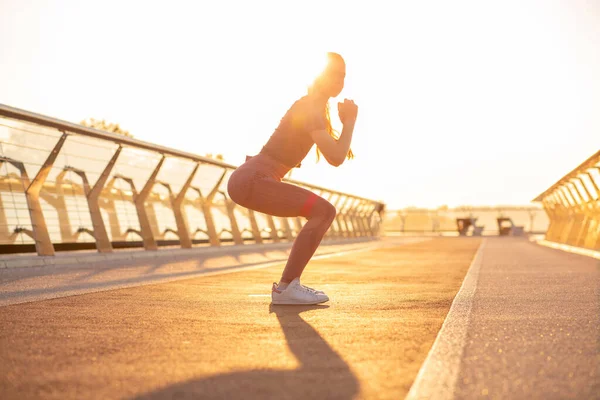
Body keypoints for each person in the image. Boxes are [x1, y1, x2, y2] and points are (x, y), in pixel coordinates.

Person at [227, 52, 358, 305]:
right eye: (333, 73)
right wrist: (351, 121)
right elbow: (336, 157)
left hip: (256, 178)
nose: (339, 80)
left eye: (343, 75)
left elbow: (336, 154)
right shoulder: (310, 106)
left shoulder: (316, 108)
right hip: (253, 179)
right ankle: (286, 287)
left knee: (322, 211)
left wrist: (345, 123)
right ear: (319, 76)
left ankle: (288, 286)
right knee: (324, 211)